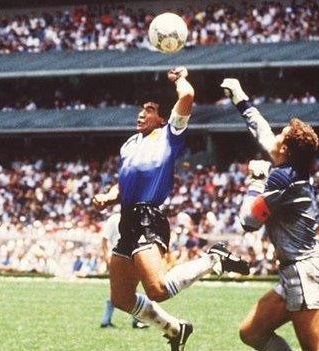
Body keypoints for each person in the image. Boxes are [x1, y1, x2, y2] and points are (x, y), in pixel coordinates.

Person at [93, 67, 248, 351]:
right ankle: (175, 329)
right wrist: (110, 196)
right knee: (122, 299)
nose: (141, 114)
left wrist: (180, 79)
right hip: (127, 218)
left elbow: (187, 95)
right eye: (140, 110)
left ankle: (213, 259)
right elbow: (124, 183)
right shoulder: (129, 144)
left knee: (158, 289)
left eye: (149, 110)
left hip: (148, 216)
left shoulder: (170, 134)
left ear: (162, 117)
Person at [221, 78, 319, 351]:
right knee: (252, 332)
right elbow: (263, 132)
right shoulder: (290, 170)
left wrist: (256, 181)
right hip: (295, 271)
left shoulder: (281, 178)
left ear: (284, 150)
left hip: (304, 272)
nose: (274, 137)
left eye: (280, 136)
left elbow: (248, 222)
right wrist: (240, 99)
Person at [99, 212, 149, 329]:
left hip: (130, 257)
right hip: (118, 257)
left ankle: (107, 320)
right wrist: (106, 257)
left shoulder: (135, 218)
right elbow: (104, 240)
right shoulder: (114, 219)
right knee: (122, 290)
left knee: (124, 289)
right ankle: (134, 321)